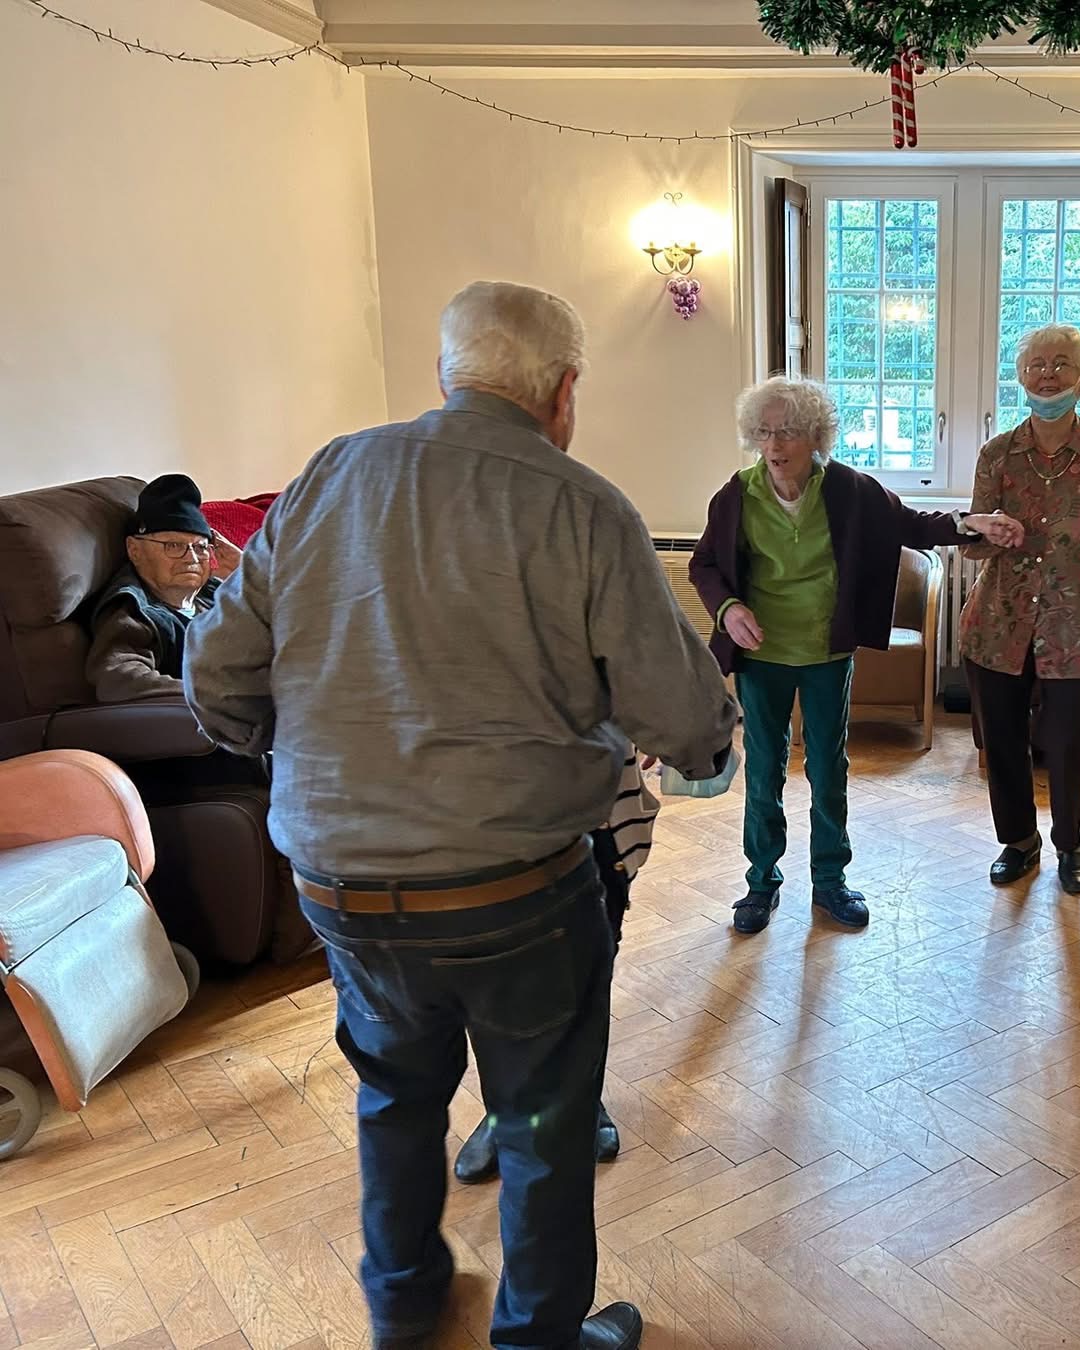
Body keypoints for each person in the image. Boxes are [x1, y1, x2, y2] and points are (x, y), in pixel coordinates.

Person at [185, 280, 739, 1350]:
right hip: (517, 890)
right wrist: (712, 746)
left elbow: (218, 676)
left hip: (340, 884)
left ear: (445, 376)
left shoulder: (329, 475)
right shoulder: (583, 504)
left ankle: (403, 1309)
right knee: (541, 1119)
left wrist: (303, 761)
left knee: (393, 1095)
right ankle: (535, 1338)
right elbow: (679, 714)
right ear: (565, 393)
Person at [691, 376, 1022, 936]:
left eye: (788, 432)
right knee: (765, 769)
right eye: (764, 432)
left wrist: (972, 524)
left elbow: (912, 524)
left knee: (828, 766)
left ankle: (830, 881)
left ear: (815, 436)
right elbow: (704, 565)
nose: (775, 445)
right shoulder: (736, 495)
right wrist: (728, 609)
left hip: (826, 650)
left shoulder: (849, 489)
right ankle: (761, 881)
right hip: (762, 653)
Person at [960, 324, 1080, 894]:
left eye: (1061, 363)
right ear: (1020, 378)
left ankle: (1069, 843)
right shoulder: (997, 454)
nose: (1047, 374)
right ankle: (1019, 842)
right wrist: (988, 530)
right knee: (1003, 742)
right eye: (1036, 365)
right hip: (998, 624)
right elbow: (973, 538)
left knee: (1068, 746)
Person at [452, 749, 659, 1184]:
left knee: (590, 977)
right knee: (495, 980)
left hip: (594, 814)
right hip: (485, 818)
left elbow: (683, 723)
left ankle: (585, 1100)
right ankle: (504, 1112)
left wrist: (658, 722)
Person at [88, 473, 242, 702]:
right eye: (174, 545)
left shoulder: (214, 593)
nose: (192, 558)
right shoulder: (134, 613)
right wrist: (219, 698)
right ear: (134, 550)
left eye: (200, 547)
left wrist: (246, 571)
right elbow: (118, 679)